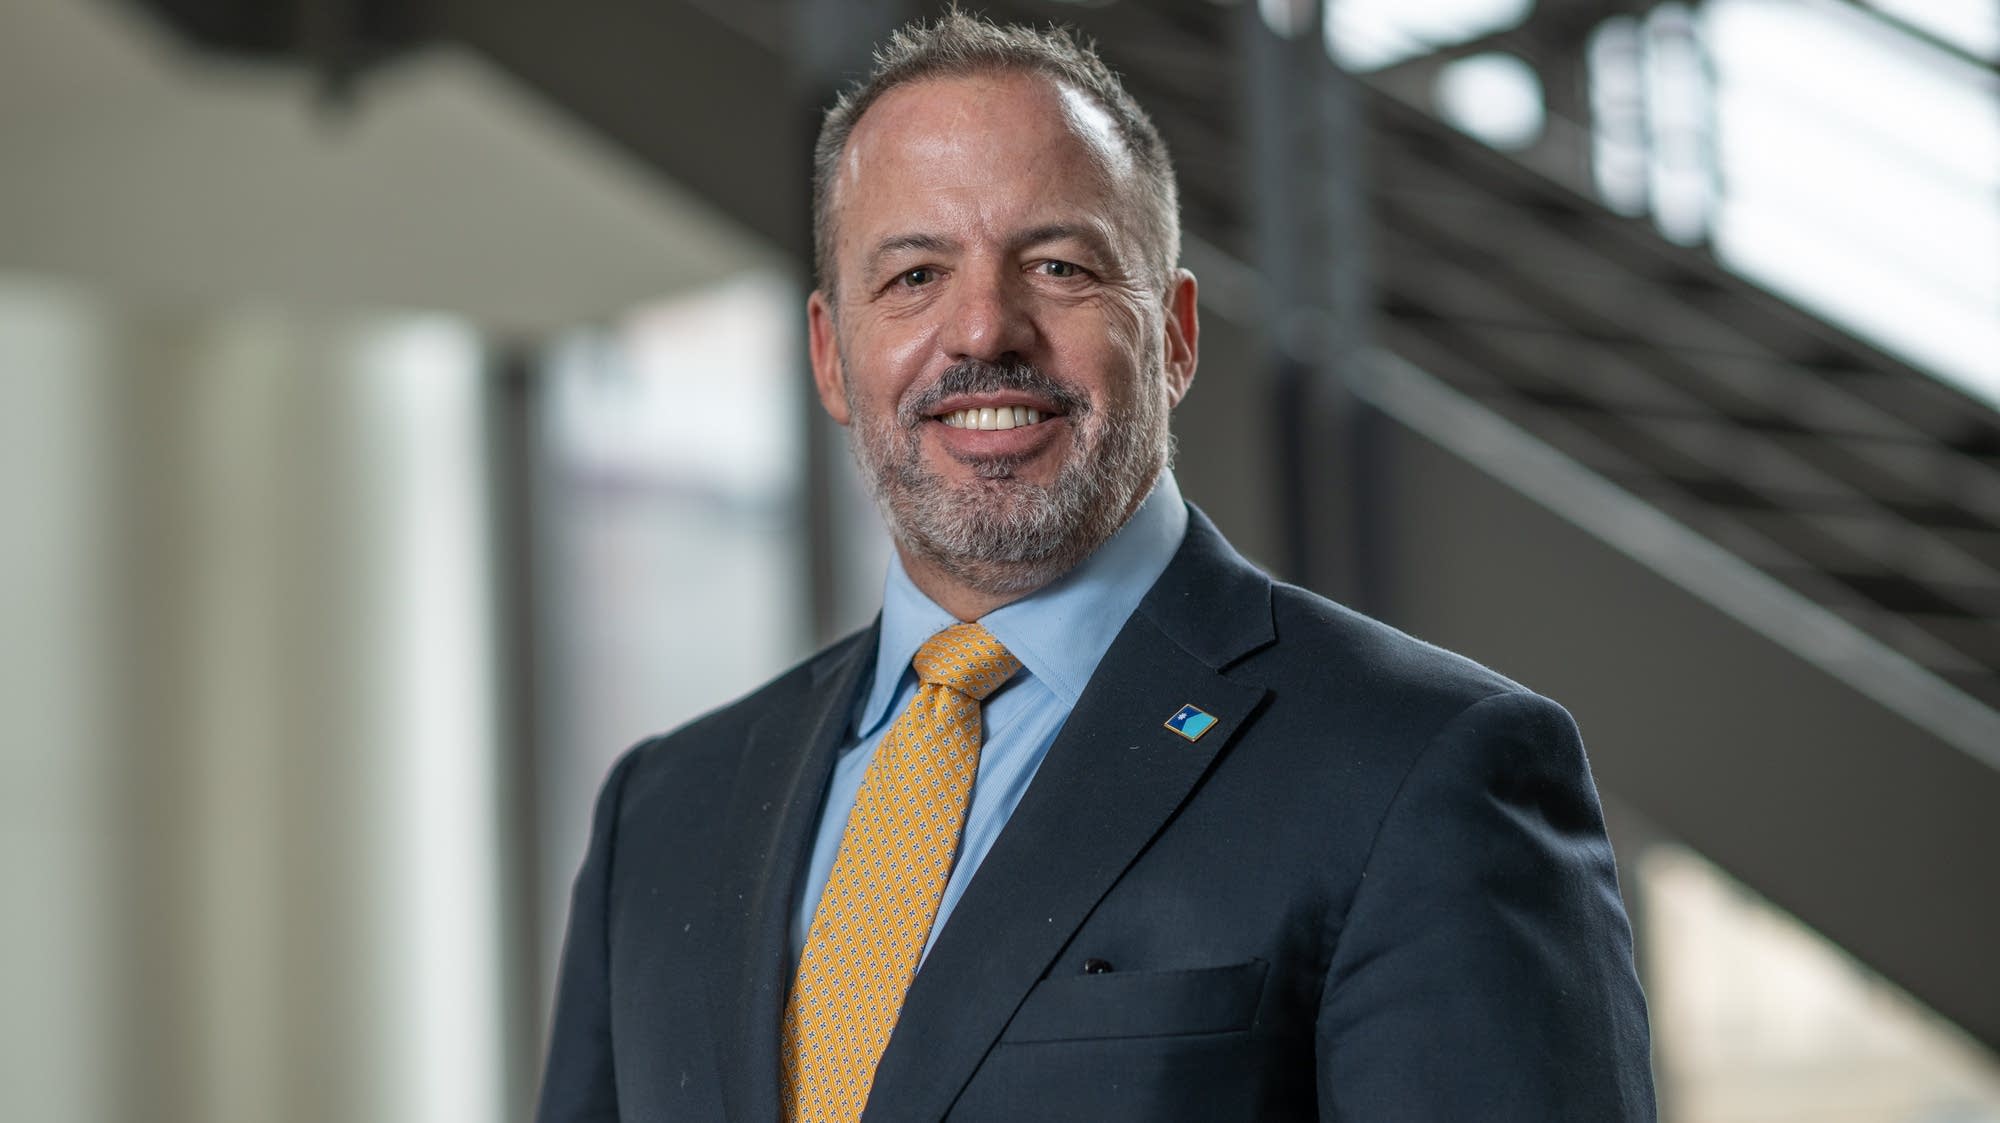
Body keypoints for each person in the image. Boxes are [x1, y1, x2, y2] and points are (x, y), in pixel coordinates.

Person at [536, 12, 1654, 1123]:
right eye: (915, 274)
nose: (984, 329)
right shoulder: (664, 813)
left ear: (1174, 334)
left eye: (1058, 265)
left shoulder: (1421, 766)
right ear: (831, 355)